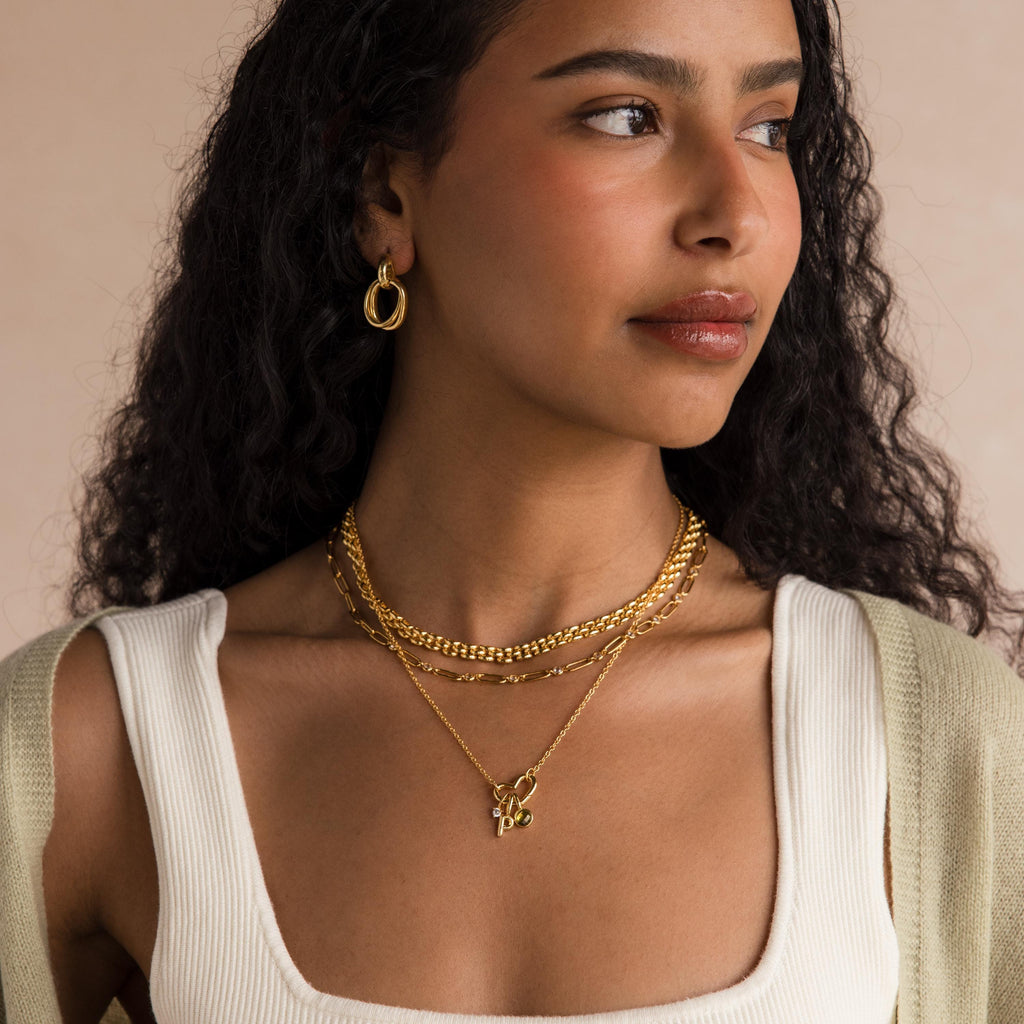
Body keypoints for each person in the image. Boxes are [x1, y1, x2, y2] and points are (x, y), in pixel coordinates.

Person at [1, 0, 1022, 1021]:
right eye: (626, 116)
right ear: (383, 191)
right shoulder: (92, 747)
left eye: (769, 129)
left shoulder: (933, 744)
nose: (736, 213)